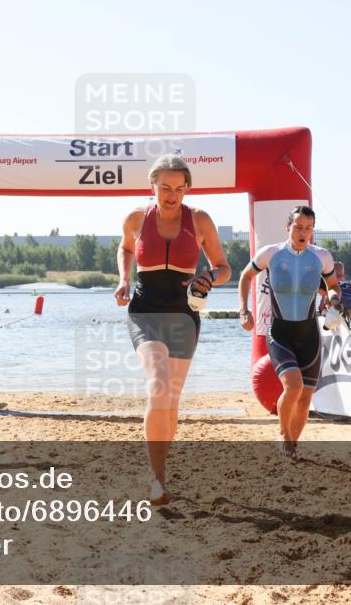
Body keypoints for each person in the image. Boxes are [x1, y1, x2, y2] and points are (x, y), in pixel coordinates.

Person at [115, 154, 230, 504]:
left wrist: (208, 277)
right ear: (152, 185)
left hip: (184, 315)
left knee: (172, 400)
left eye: (179, 188)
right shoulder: (137, 218)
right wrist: (123, 279)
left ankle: (161, 472)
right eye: (165, 187)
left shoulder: (200, 220)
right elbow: (125, 247)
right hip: (145, 312)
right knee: (158, 386)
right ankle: (157, 479)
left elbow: (223, 267)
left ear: (187, 189)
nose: (172, 195)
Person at [237, 205, 340, 460]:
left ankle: (293, 443)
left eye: (308, 228)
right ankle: (283, 435)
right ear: (288, 227)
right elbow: (245, 276)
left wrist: (334, 299)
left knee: (305, 397)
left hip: (309, 335)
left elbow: (333, 285)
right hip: (280, 333)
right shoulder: (271, 253)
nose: (303, 233)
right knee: (293, 387)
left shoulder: (322, 257)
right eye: (298, 227)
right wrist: (244, 310)